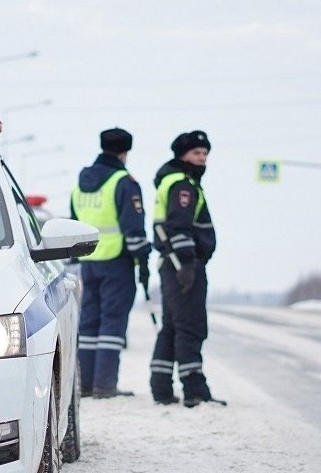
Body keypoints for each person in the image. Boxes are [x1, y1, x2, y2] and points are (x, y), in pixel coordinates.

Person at [71, 128, 151, 398]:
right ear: (125, 151)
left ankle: (86, 385)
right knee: (112, 324)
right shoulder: (123, 182)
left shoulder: (81, 183)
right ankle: (106, 385)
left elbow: (73, 222)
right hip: (117, 263)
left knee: (89, 324)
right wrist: (143, 258)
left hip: (88, 262)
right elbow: (133, 226)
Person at [149, 130, 220, 407]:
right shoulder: (182, 185)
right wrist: (187, 264)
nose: (202, 159)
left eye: (205, 154)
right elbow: (178, 227)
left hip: (172, 264)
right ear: (182, 156)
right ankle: (194, 390)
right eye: (196, 154)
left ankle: (161, 388)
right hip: (183, 265)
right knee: (190, 326)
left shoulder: (174, 181)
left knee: (172, 326)